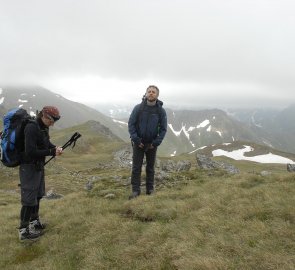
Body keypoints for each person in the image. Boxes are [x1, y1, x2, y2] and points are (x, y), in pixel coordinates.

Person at [18, 106, 63, 241]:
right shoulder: (31, 127)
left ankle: (34, 223)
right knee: (28, 199)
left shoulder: (43, 126)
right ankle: (23, 232)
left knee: (37, 195)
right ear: (44, 116)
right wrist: (51, 152)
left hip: (38, 166)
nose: (53, 123)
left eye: (54, 121)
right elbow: (30, 151)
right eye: (51, 120)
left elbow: (45, 142)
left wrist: (54, 147)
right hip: (28, 166)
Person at [128, 85, 167, 199]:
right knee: (136, 167)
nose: (151, 93)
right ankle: (136, 191)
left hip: (151, 144)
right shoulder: (138, 108)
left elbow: (164, 129)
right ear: (145, 94)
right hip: (138, 143)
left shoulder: (160, 111)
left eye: (153, 92)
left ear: (157, 95)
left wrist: (155, 143)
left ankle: (150, 189)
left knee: (150, 167)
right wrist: (136, 139)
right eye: (149, 91)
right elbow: (131, 124)